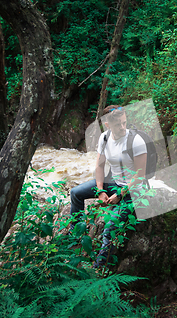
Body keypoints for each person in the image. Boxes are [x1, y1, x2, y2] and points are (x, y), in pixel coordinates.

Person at [70, 105, 147, 268]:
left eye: (124, 122)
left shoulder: (136, 141)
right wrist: (100, 190)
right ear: (107, 125)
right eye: (118, 124)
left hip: (133, 189)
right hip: (113, 183)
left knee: (110, 227)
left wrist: (120, 194)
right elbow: (99, 166)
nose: (122, 127)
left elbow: (140, 175)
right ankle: (75, 237)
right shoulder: (105, 138)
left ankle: (100, 269)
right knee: (76, 193)